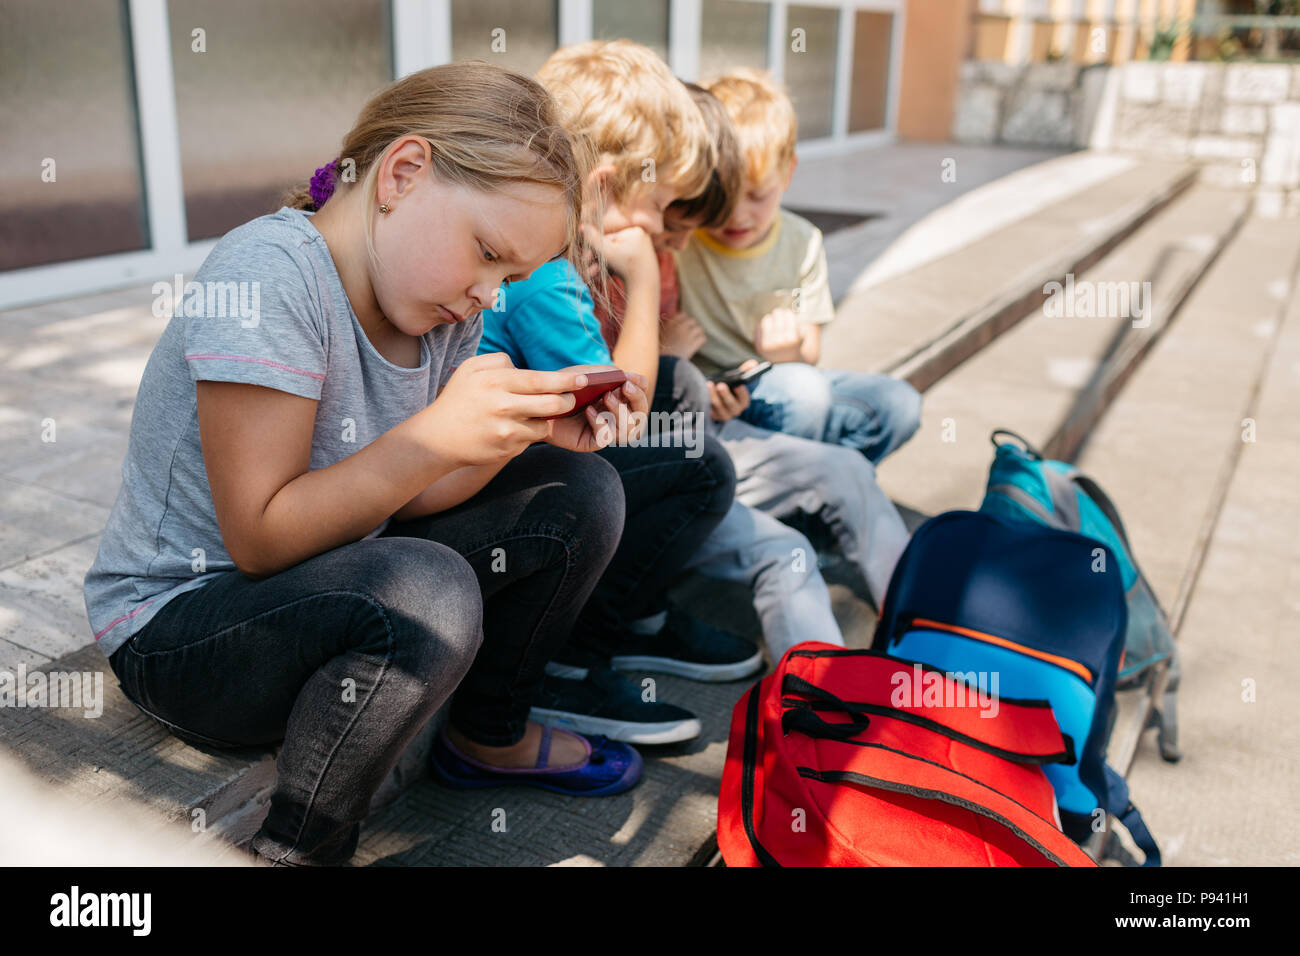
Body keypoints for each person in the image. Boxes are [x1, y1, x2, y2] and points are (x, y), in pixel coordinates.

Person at [83, 62, 651, 868]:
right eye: (488, 253)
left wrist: (525, 433)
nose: (491, 297)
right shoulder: (269, 276)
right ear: (404, 174)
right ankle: (299, 847)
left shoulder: (435, 308)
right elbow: (261, 539)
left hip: (324, 582)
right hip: (185, 628)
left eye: (511, 277)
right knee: (426, 591)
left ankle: (486, 736)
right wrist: (432, 439)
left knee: (582, 490)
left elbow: (411, 500)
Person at [481, 40, 760, 744]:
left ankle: (634, 620)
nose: (663, 227)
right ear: (602, 185)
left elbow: (630, 389)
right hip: (498, 498)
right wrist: (638, 277)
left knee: (679, 390)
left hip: (515, 466)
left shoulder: (544, 258)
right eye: (660, 204)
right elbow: (624, 417)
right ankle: (570, 660)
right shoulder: (544, 275)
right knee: (700, 466)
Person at [597, 82, 910, 659]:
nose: (681, 239)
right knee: (786, 552)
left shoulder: (662, 249)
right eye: (672, 213)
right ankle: (817, 714)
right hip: (659, 470)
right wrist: (673, 365)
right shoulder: (590, 270)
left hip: (699, 442)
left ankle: (921, 626)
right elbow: (622, 417)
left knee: (848, 463)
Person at [675, 68, 923, 465]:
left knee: (900, 404)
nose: (737, 215)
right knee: (805, 394)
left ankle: (826, 484)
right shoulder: (683, 239)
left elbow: (809, 352)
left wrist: (789, 351)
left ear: (788, 173)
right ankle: (809, 495)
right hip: (708, 391)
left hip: (776, 380)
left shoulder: (803, 241)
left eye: (757, 196)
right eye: (724, 195)